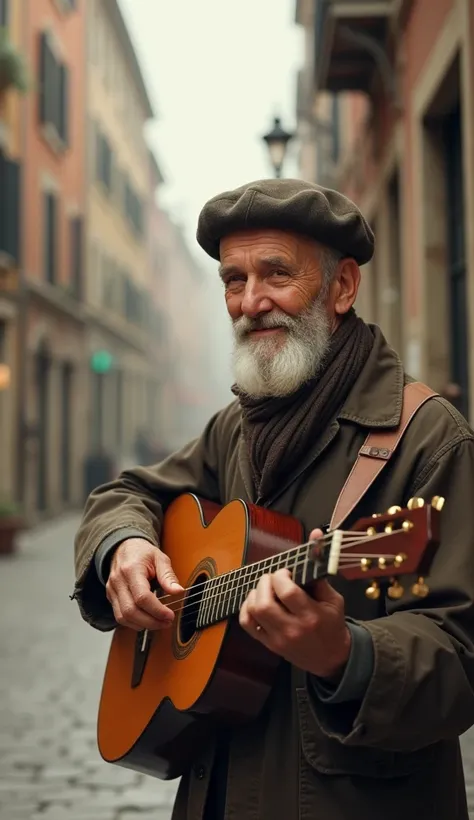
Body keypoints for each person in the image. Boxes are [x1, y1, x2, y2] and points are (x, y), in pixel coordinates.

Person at [73, 178, 474, 820]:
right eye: (234, 279)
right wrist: (124, 545)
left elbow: (462, 656)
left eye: (276, 274)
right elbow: (128, 492)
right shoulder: (239, 426)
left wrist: (349, 654)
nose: (250, 302)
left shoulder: (430, 438)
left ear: (343, 287)